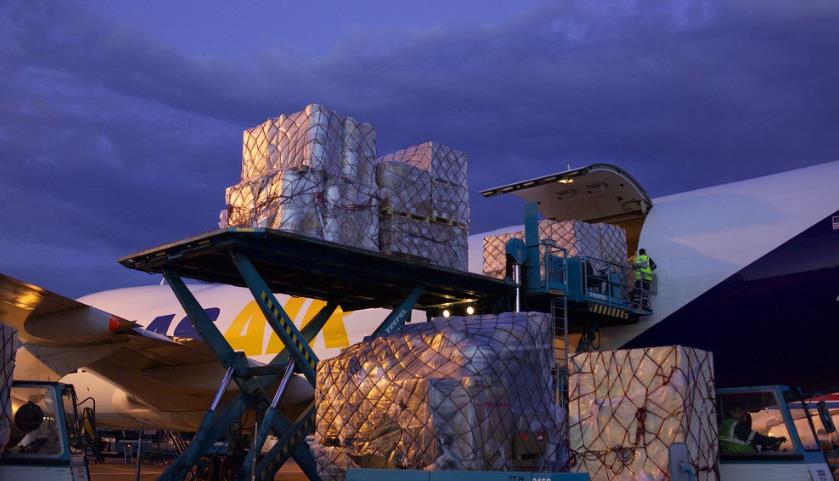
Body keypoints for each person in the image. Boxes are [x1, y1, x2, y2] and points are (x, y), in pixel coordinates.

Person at [720, 405, 786, 454]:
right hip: (746, 458)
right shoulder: (737, 425)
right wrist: (773, 440)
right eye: (739, 411)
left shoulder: (724, 425)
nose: (742, 413)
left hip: (734, 457)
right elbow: (755, 437)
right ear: (732, 412)